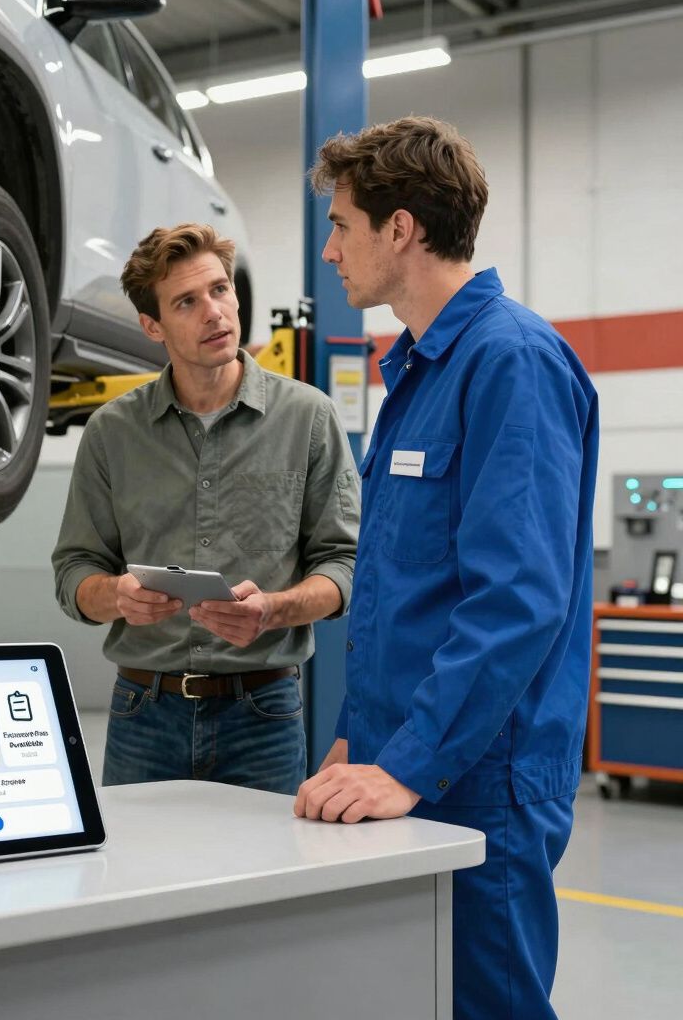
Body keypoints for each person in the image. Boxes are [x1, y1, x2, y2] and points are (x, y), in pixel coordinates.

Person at [293, 117, 598, 1020]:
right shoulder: (420, 371)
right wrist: (358, 735)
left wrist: (408, 762)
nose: (329, 248)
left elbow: (516, 601)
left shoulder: (511, 360)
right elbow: (397, 588)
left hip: (481, 778)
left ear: (401, 229)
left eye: (343, 224)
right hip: (413, 764)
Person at [52, 223, 359, 795]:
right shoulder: (111, 433)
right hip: (143, 713)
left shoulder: (309, 419)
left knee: (267, 881)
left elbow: (345, 567)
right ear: (153, 326)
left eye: (220, 290)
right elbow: (74, 572)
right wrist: (115, 595)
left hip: (263, 714)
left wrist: (274, 609)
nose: (213, 312)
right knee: (140, 877)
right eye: (186, 302)